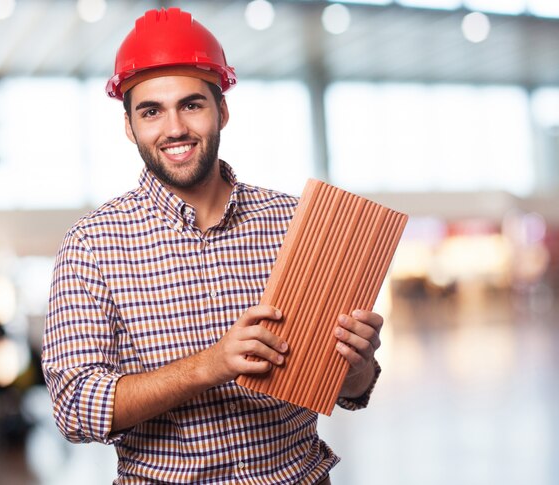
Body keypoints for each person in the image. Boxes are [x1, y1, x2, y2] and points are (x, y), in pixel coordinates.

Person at [42, 7, 383, 485]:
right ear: (129, 127)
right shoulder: (91, 245)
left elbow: (351, 390)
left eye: (192, 104)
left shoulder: (293, 221)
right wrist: (211, 365)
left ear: (222, 110)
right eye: (151, 111)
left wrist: (358, 365)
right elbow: (75, 409)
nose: (174, 127)